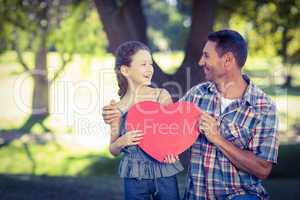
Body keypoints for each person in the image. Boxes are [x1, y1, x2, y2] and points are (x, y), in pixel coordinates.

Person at [180, 29, 279, 199]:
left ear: (227, 60)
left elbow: (263, 169)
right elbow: (165, 127)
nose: (200, 61)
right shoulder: (196, 95)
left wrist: (217, 138)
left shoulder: (263, 107)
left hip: (241, 195)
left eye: (206, 56)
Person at [102, 41, 183, 200]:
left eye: (151, 63)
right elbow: (113, 150)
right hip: (134, 176)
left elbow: (175, 132)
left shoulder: (161, 96)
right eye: (143, 64)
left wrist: (173, 150)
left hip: (164, 171)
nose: (150, 68)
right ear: (125, 70)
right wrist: (121, 141)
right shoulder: (117, 108)